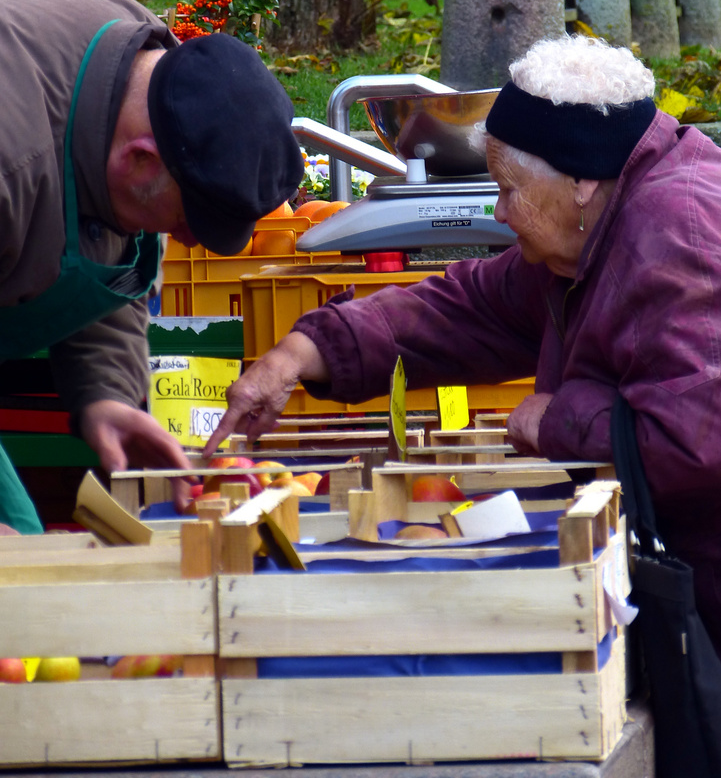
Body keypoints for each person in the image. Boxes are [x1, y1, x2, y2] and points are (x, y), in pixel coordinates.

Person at [205, 32, 721, 654]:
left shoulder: (679, 237)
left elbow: (694, 437)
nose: (498, 213)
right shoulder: (594, 225)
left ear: (580, 181)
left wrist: (557, 418)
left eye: (507, 189)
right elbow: (471, 306)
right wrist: (304, 351)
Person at [0, 0, 304, 532]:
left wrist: (105, 396)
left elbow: (104, 248)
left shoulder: (149, 79)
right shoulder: (11, 157)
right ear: (138, 161)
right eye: (188, 221)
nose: (187, 241)